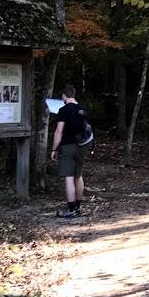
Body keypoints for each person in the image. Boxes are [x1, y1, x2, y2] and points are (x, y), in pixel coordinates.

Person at [50, 84, 89, 218]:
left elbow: (59, 131)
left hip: (68, 146)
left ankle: (71, 209)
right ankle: (78, 207)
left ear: (64, 96)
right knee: (79, 176)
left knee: (69, 177)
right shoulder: (82, 108)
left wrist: (54, 149)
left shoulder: (63, 110)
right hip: (82, 145)